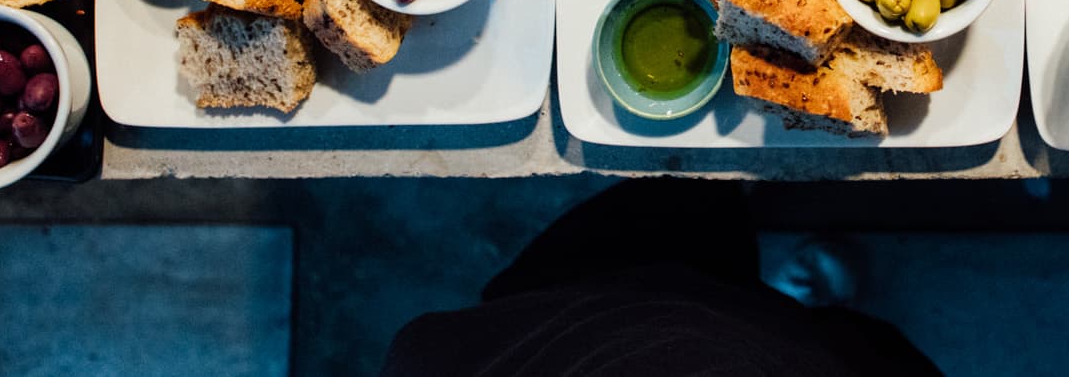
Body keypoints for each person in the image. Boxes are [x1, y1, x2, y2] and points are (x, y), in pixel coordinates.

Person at [380, 179, 940, 377]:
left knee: (660, 234)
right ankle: (783, 302)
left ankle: (765, 285)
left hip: (577, 322)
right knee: (824, 345)